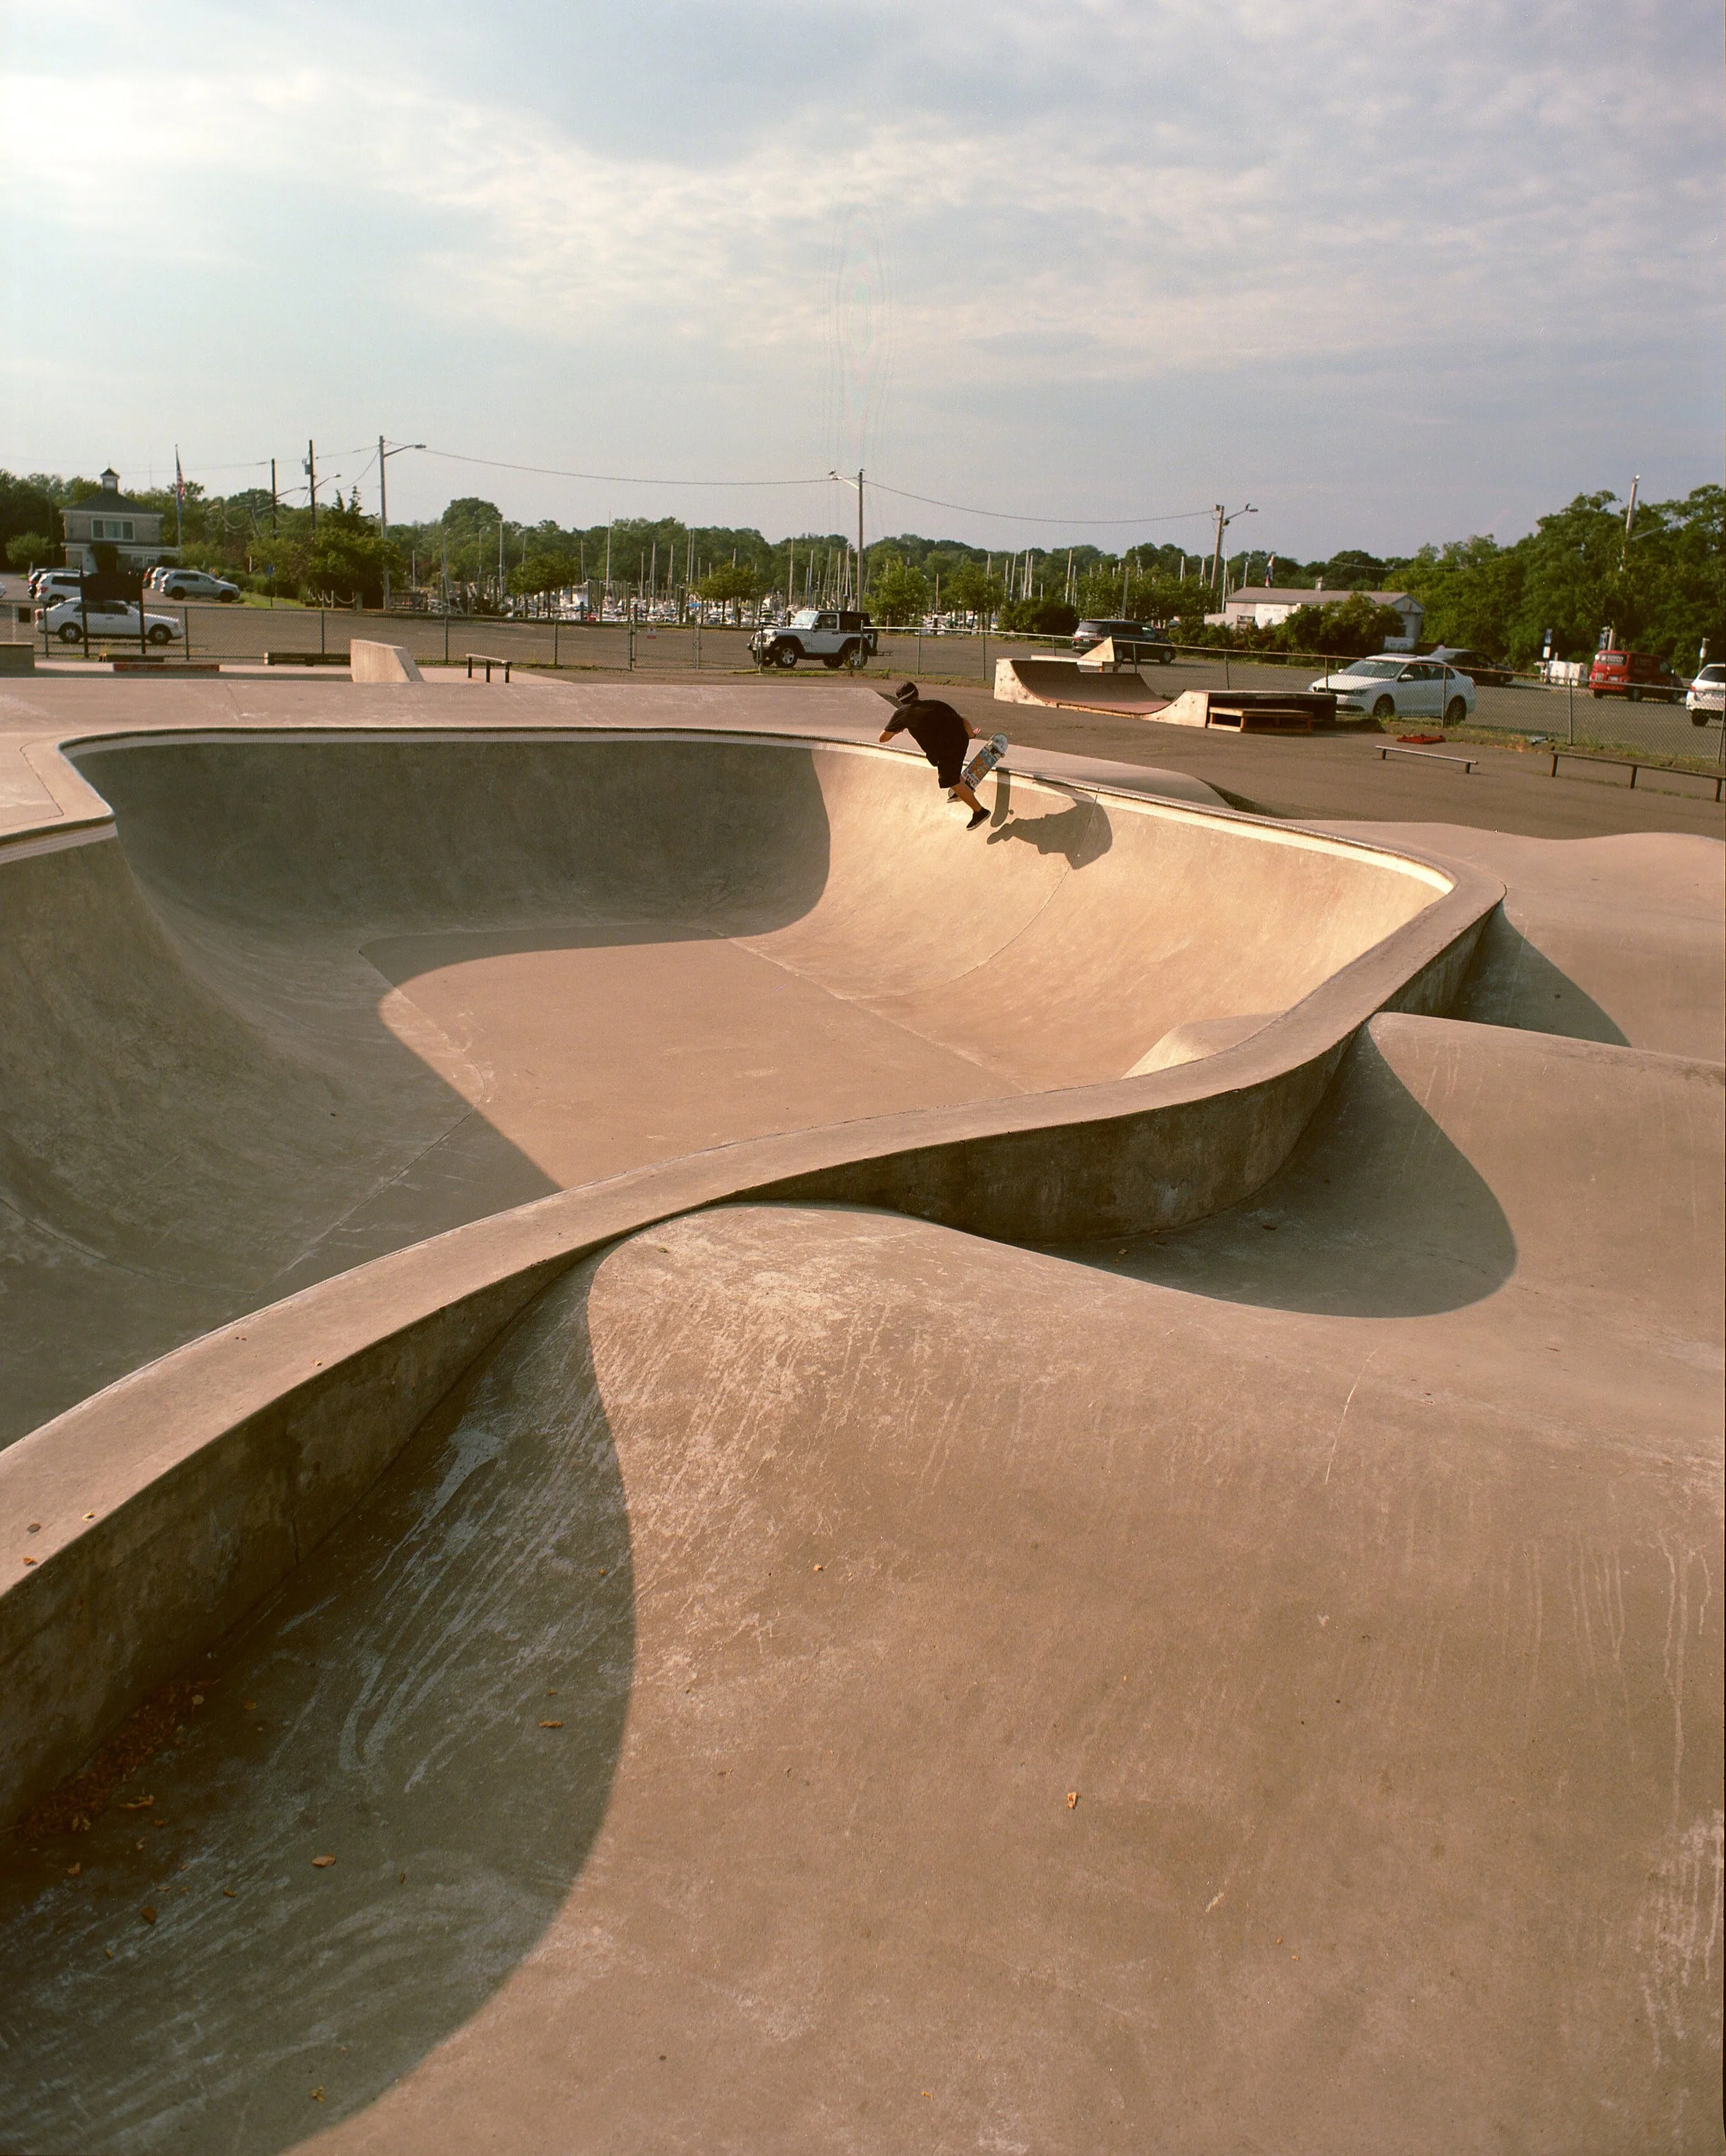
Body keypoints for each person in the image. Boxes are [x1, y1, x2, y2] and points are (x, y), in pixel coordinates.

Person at [877, 681, 991, 828]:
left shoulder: (902, 714)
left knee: (950, 780)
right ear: (917, 693)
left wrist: (898, 729)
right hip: (961, 740)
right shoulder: (937, 704)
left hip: (945, 751)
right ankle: (963, 790)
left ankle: (980, 812)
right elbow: (963, 721)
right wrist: (971, 735)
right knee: (951, 773)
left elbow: (882, 739)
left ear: (901, 701)